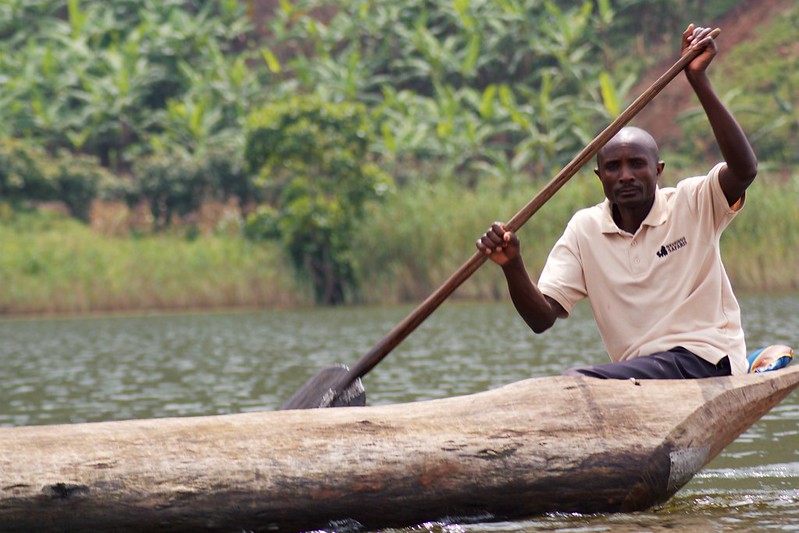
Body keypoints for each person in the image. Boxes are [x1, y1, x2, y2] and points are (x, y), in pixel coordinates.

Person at [476, 24, 758, 379]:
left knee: (576, 382)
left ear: (658, 171)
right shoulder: (586, 229)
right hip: (638, 374)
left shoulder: (693, 202)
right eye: (612, 167)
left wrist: (698, 81)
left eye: (636, 165)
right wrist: (512, 265)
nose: (624, 175)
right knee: (577, 385)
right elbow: (542, 318)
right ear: (599, 177)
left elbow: (744, 170)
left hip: (707, 358)